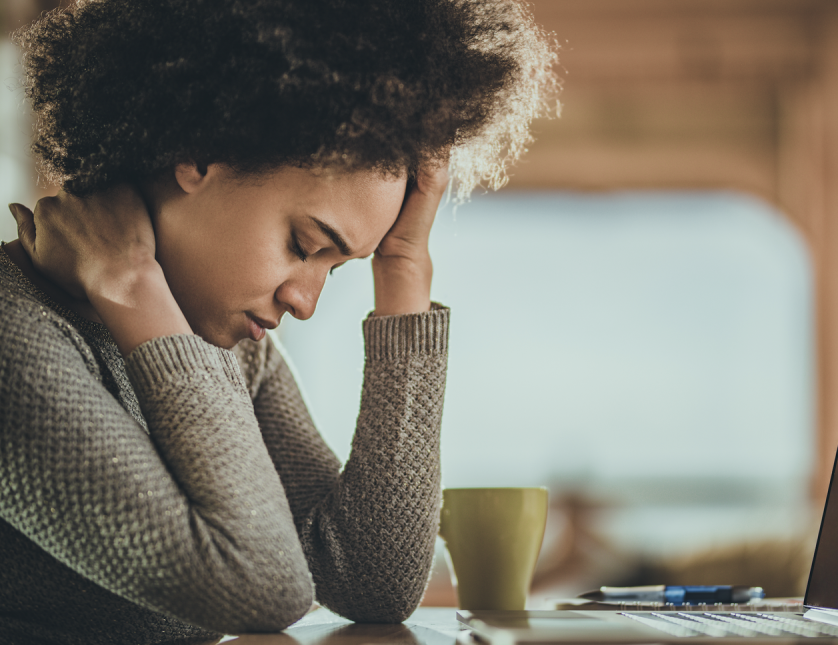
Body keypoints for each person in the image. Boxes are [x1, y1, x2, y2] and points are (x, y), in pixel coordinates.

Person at [0, 0, 559, 642]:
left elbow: (373, 581)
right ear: (199, 151)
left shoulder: (222, 346)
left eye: (338, 268)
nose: (305, 302)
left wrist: (404, 270)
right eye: (303, 244)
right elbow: (262, 589)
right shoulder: (15, 335)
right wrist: (129, 286)